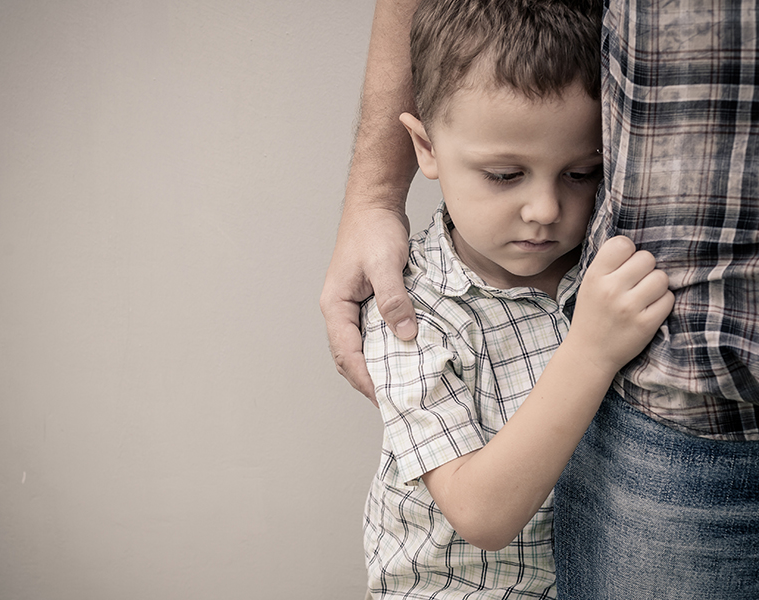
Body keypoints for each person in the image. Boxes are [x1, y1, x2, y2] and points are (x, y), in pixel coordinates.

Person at [322, 0, 759, 597]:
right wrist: (592, 351)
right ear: (425, 147)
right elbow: (483, 516)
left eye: (580, 174)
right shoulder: (408, 313)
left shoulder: (591, 266)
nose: (546, 211)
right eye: (505, 175)